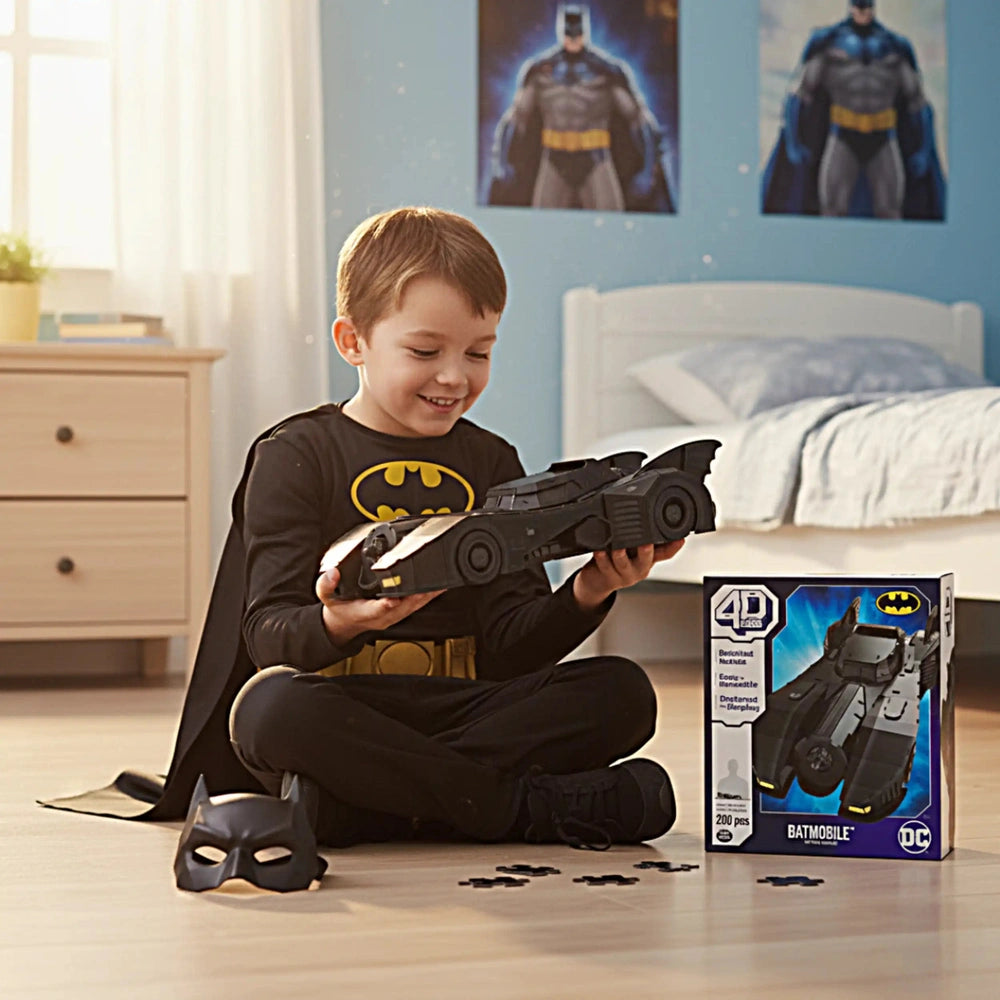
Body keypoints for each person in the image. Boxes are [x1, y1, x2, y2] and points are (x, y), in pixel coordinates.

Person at [223, 206, 687, 850]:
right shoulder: (297, 454)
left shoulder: (490, 460)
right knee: (267, 710)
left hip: (465, 707)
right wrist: (343, 622)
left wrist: (589, 591)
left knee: (623, 693)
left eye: (478, 353)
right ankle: (518, 807)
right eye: (424, 351)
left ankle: (370, 808)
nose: (454, 376)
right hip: (351, 709)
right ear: (353, 341)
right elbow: (268, 636)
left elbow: (512, 649)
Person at [761, 0, 945, 220]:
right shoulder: (828, 42)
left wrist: (924, 149)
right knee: (832, 210)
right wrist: (794, 142)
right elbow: (801, 96)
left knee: (889, 210)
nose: (862, 11)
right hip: (842, 136)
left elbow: (918, 103)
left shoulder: (894, 47)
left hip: (883, 137)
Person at [487, 3, 675, 213]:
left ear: (585, 31)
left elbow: (639, 120)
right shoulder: (540, 71)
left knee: (610, 221)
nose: (573, 38)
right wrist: (501, 161)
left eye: (577, 33)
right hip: (554, 159)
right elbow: (515, 118)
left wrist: (648, 169)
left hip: (596, 159)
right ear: (561, 30)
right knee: (543, 223)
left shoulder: (607, 71)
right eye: (569, 33)